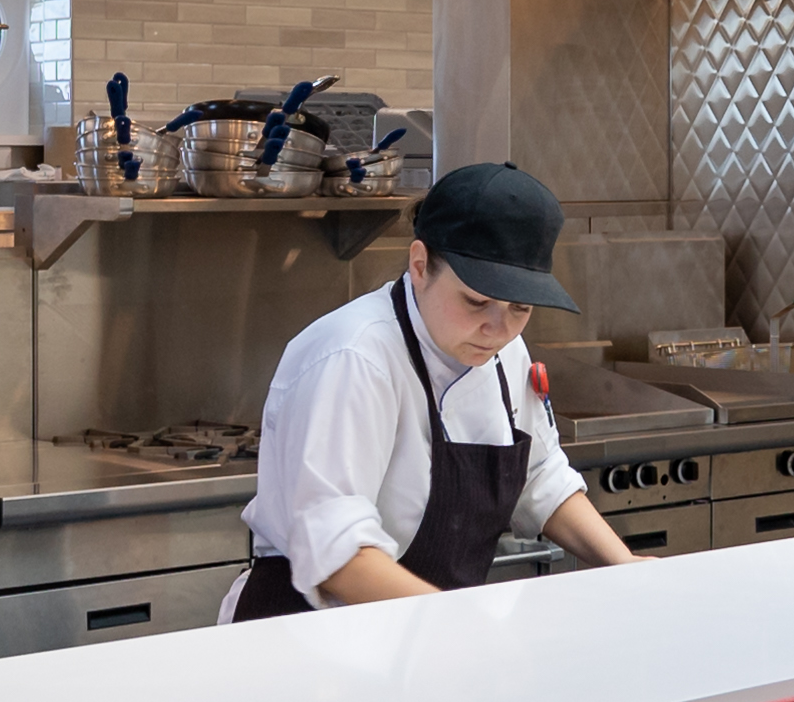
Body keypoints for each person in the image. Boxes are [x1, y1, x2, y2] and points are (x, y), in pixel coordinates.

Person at [228, 161, 645, 619]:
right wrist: (456, 623)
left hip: (424, 634)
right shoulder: (354, 356)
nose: (497, 328)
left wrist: (622, 565)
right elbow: (337, 553)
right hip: (312, 638)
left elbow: (540, 476)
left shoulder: (505, 351)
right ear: (420, 264)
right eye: (476, 301)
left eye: (520, 307)